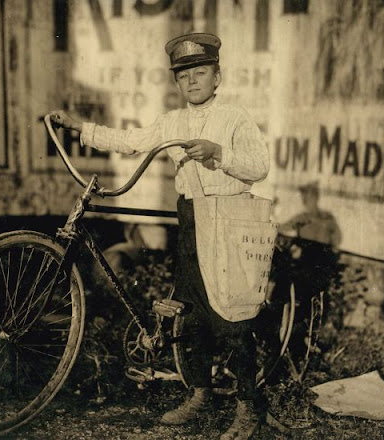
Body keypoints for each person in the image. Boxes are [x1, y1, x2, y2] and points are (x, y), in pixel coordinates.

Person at [50, 33, 269, 440]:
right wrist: (81, 126)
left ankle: (249, 408)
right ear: (177, 82)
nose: (193, 82)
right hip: (191, 220)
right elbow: (132, 142)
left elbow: (259, 167)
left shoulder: (235, 117)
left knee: (234, 318)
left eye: (201, 73)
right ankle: (200, 394)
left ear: (217, 77)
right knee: (189, 314)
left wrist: (219, 153)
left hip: (231, 219)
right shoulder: (173, 122)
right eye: (184, 76)